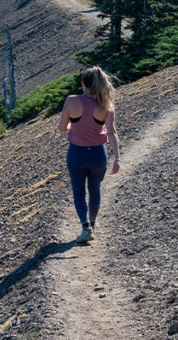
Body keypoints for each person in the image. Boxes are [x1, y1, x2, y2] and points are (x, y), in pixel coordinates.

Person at [59, 66, 120, 244]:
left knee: (78, 191)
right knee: (95, 190)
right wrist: (117, 158)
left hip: (76, 153)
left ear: (83, 83)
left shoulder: (71, 101)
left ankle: (86, 227)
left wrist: (74, 126)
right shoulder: (106, 105)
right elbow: (111, 132)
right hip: (98, 154)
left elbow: (62, 128)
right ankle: (92, 222)